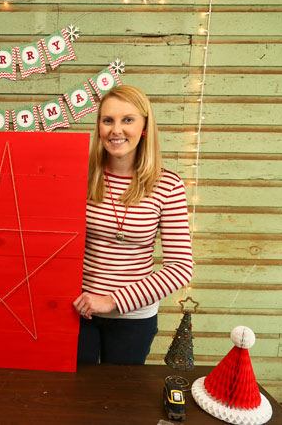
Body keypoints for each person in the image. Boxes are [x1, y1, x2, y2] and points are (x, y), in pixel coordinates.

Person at [73, 85, 193, 365]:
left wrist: (112, 300)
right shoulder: (78, 176)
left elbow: (180, 268)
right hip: (77, 313)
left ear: (144, 127)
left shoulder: (168, 186)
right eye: (108, 120)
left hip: (133, 319)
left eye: (127, 120)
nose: (116, 130)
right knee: (73, 397)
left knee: (120, 401)